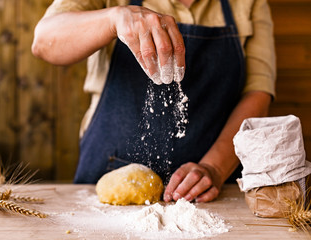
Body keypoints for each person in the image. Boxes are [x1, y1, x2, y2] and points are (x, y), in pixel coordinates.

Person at [32, 0, 276, 203]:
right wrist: (114, 18)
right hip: (104, 185)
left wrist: (214, 168)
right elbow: (45, 40)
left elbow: (258, 93)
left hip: (206, 194)